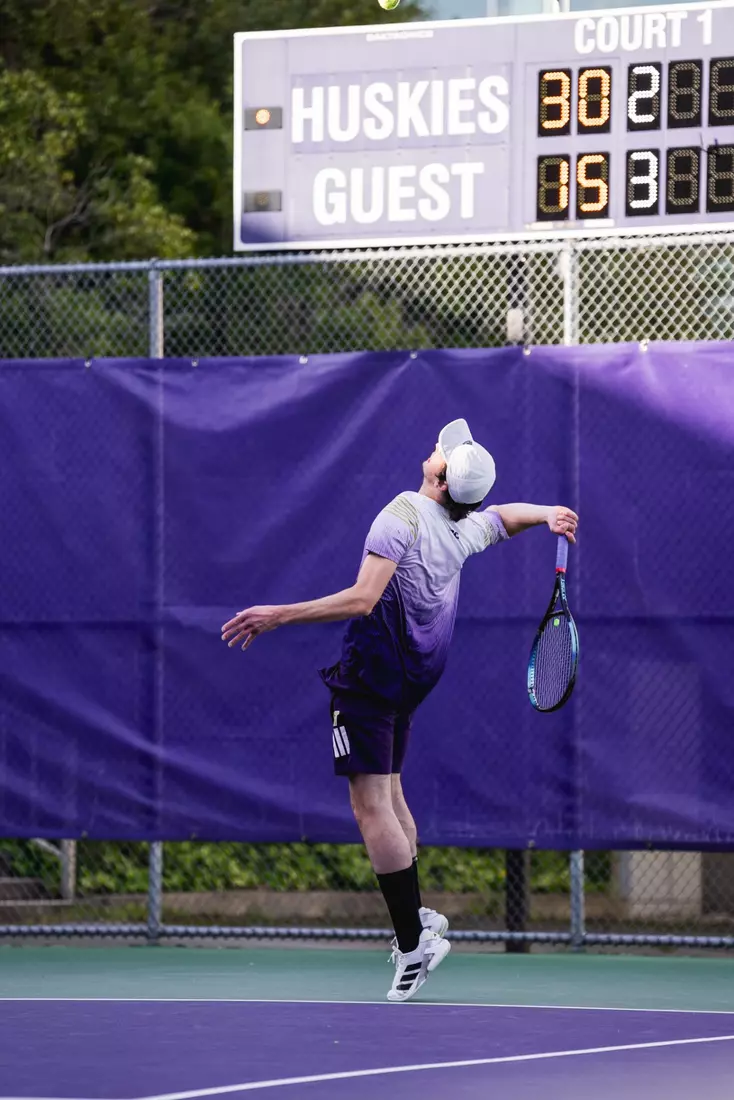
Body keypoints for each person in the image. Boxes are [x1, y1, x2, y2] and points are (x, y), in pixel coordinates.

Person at [222, 418, 579, 1002]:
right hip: (412, 678)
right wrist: (546, 513)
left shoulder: (402, 515)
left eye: (444, 450)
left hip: (371, 678)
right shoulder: (460, 528)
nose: (436, 448)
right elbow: (504, 517)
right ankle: (414, 918)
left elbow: (364, 599)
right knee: (390, 795)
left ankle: (413, 943)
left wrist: (276, 615)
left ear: (439, 477)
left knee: (369, 809)